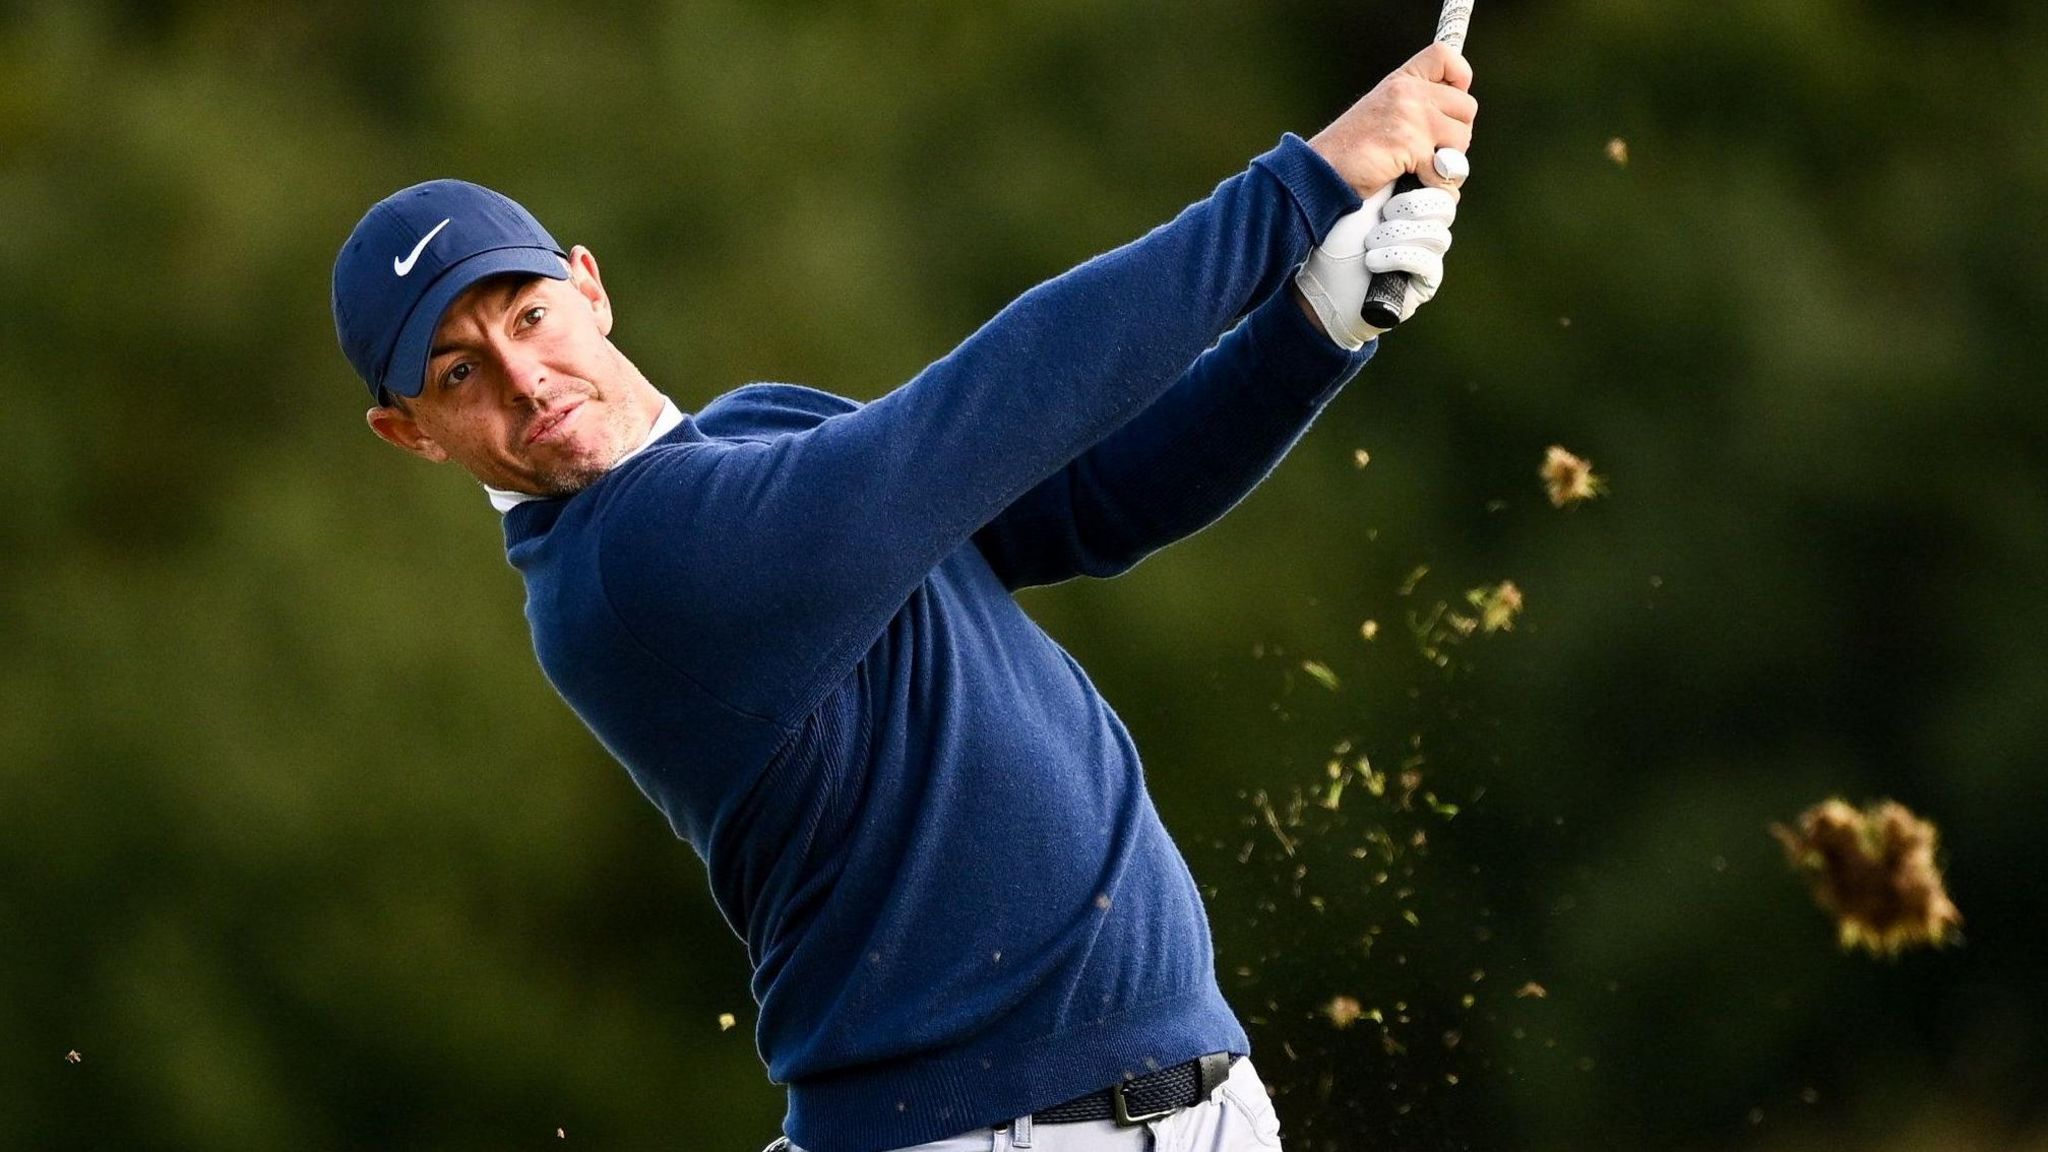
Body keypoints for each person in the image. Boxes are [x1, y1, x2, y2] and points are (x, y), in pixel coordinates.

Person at [331, 42, 1474, 1152]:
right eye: (458, 374)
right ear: (409, 434)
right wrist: (1300, 187)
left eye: (528, 316)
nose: (524, 378)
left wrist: (1312, 328)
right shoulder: (624, 573)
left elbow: (1089, 505)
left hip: (1189, 1103)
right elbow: (991, 408)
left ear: (589, 288)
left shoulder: (759, 429)